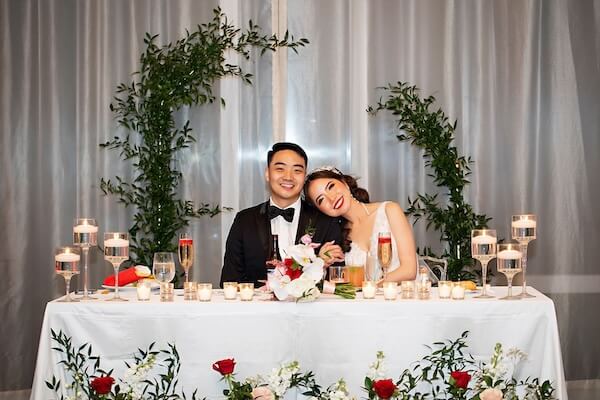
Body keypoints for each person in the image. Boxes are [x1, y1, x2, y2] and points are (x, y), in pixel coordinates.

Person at [220, 143, 345, 286]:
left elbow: (339, 282)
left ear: (304, 176)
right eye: (280, 169)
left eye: (297, 170)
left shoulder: (326, 220)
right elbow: (229, 281)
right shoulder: (244, 220)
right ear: (267, 173)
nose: (288, 177)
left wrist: (319, 262)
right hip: (256, 308)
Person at [303, 167, 417, 283]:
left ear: (345, 183)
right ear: (321, 210)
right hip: (365, 300)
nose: (331, 198)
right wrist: (322, 263)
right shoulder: (338, 239)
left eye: (331, 187)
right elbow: (338, 285)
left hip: (405, 297)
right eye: (321, 200)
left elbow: (409, 270)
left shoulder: (389, 210)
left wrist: (372, 286)